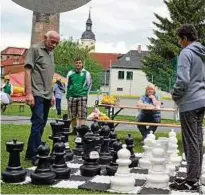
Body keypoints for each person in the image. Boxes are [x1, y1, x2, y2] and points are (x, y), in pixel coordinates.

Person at [169, 24, 205, 191]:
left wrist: (175, 95)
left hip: (189, 102)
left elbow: (182, 80)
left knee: (190, 143)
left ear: (184, 39)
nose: (179, 43)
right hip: (201, 101)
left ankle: (191, 181)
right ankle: (194, 178)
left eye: (179, 39)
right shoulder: (201, 54)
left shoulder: (186, 52)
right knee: (197, 141)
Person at [24, 30, 60, 165]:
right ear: (45, 38)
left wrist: (51, 94)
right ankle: (36, 154)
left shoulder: (51, 53)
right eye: (52, 41)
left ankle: (30, 152)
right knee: (38, 122)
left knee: (42, 124)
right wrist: (28, 93)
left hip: (46, 94)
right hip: (36, 93)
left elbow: (48, 75)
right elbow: (27, 71)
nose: (54, 45)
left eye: (57, 43)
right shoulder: (34, 49)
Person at [66, 57, 92, 132]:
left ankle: (81, 131)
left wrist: (86, 94)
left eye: (80, 63)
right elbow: (67, 84)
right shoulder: (70, 73)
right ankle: (74, 130)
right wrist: (68, 95)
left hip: (82, 96)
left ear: (82, 64)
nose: (78, 64)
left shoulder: (86, 73)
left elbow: (89, 84)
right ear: (74, 64)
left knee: (82, 115)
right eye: (76, 63)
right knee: (72, 115)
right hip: (71, 96)